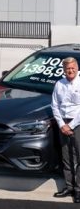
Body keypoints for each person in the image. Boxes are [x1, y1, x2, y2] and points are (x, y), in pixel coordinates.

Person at [51, 57, 80, 202]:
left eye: (73, 68)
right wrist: (62, 124)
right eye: (68, 68)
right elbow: (54, 105)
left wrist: (71, 125)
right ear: (64, 70)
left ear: (77, 68)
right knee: (66, 157)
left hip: (77, 123)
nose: (71, 70)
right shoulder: (59, 84)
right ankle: (69, 187)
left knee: (79, 157)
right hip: (63, 123)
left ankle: (79, 190)